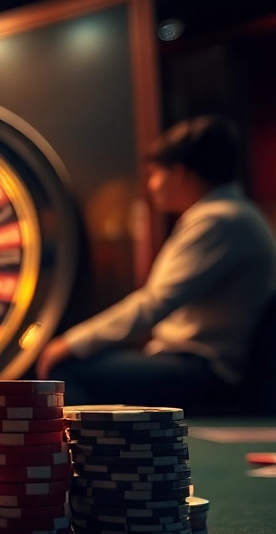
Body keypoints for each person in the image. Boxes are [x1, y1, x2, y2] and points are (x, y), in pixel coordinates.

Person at [36, 116, 276, 408]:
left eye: (154, 174)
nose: (150, 185)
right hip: (201, 362)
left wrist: (72, 343)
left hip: (208, 369)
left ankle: (85, 441)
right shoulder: (235, 214)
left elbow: (155, 302)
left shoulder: (218, 219)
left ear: (180, 173)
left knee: (65, 372)